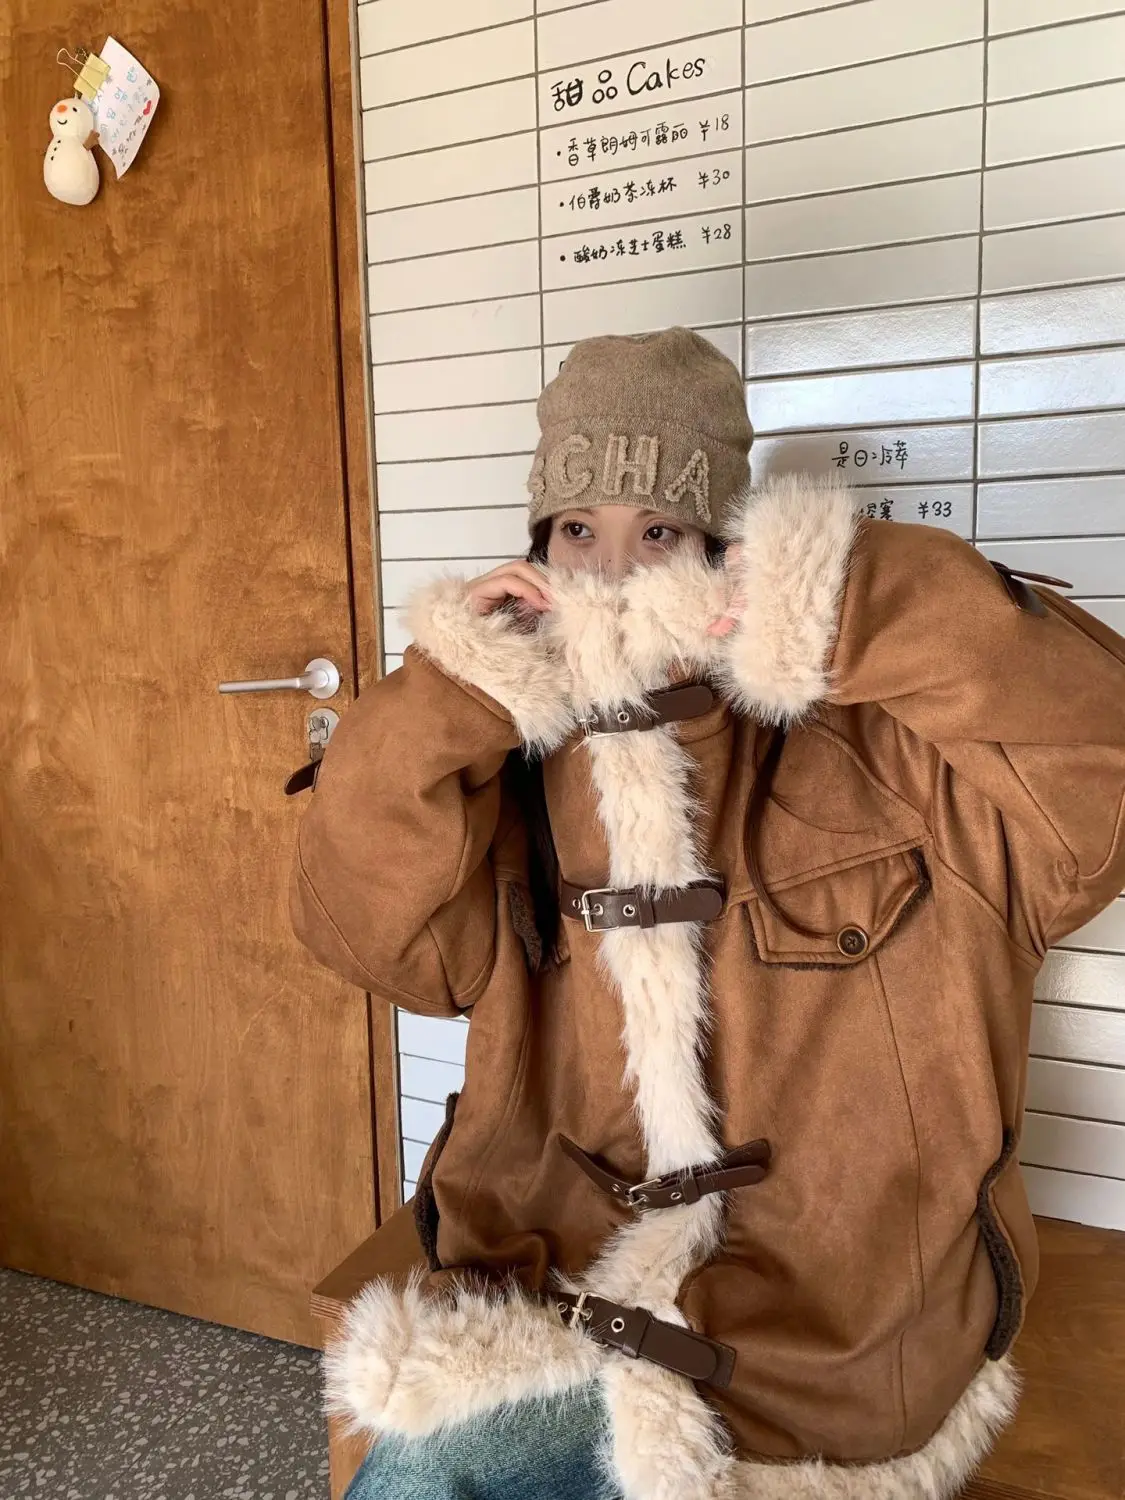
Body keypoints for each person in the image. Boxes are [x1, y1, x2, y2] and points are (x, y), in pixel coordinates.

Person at [289, 327, 1125, 1500]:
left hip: (831, 1351)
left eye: (661, 535)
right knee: (418, 1484)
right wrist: (449, 694)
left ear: (729, 551)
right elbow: (358, 933)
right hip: (552, 1297)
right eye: (578, 532)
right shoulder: (510, 777)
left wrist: (834, 597)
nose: (618, 575)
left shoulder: (890, 758)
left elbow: (1102, 760)